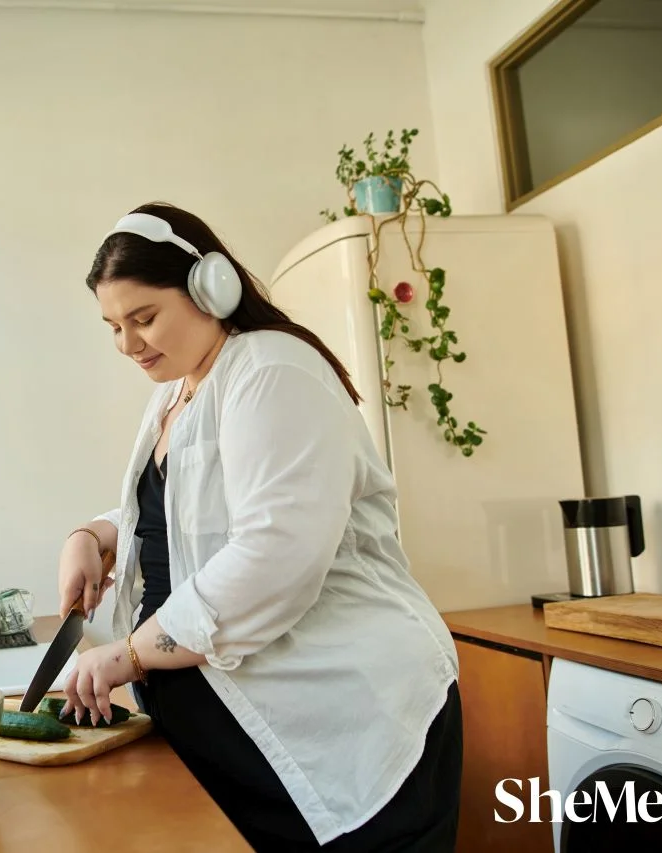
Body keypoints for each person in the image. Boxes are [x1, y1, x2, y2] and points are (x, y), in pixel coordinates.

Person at [57, 202, 463, 852]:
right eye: (113, 326)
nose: (128, 344)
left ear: (209, 286)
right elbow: (190, 509)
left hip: (338, 722)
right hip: (246, 732)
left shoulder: (270, 370)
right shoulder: (180, 388)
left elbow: (273, 555)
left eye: (143, 318)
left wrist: (127, 654)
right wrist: (96, 536)